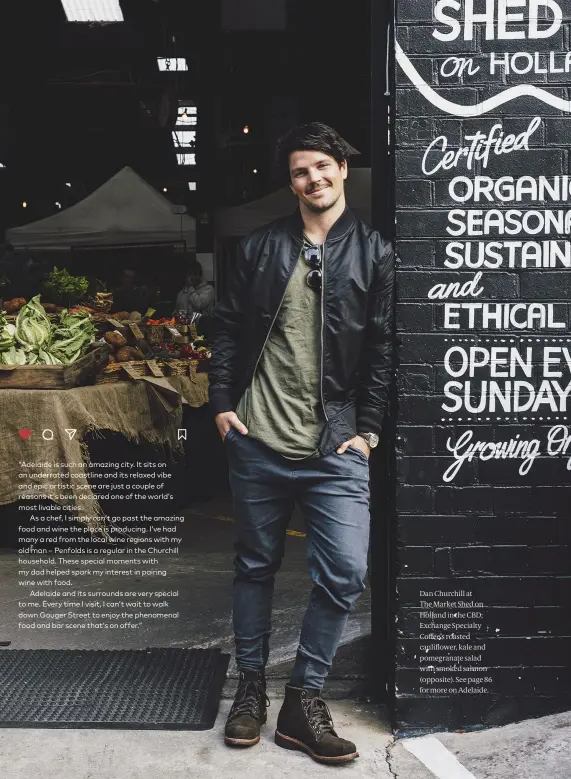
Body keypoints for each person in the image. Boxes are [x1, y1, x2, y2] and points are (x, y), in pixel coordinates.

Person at [209, 122, 394, 764]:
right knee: (255, 567)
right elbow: (228, 328)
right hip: (257, 438)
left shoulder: (374, 253)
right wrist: (223, 406)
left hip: (334, 446)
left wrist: (368, 430)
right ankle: (252, 690)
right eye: (298, 171)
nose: (311, 179)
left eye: (321, 166)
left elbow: (382, 349)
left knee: (345, 571)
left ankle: (302, 699)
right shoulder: (260, 249)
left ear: (343, 168)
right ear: (290, 183)